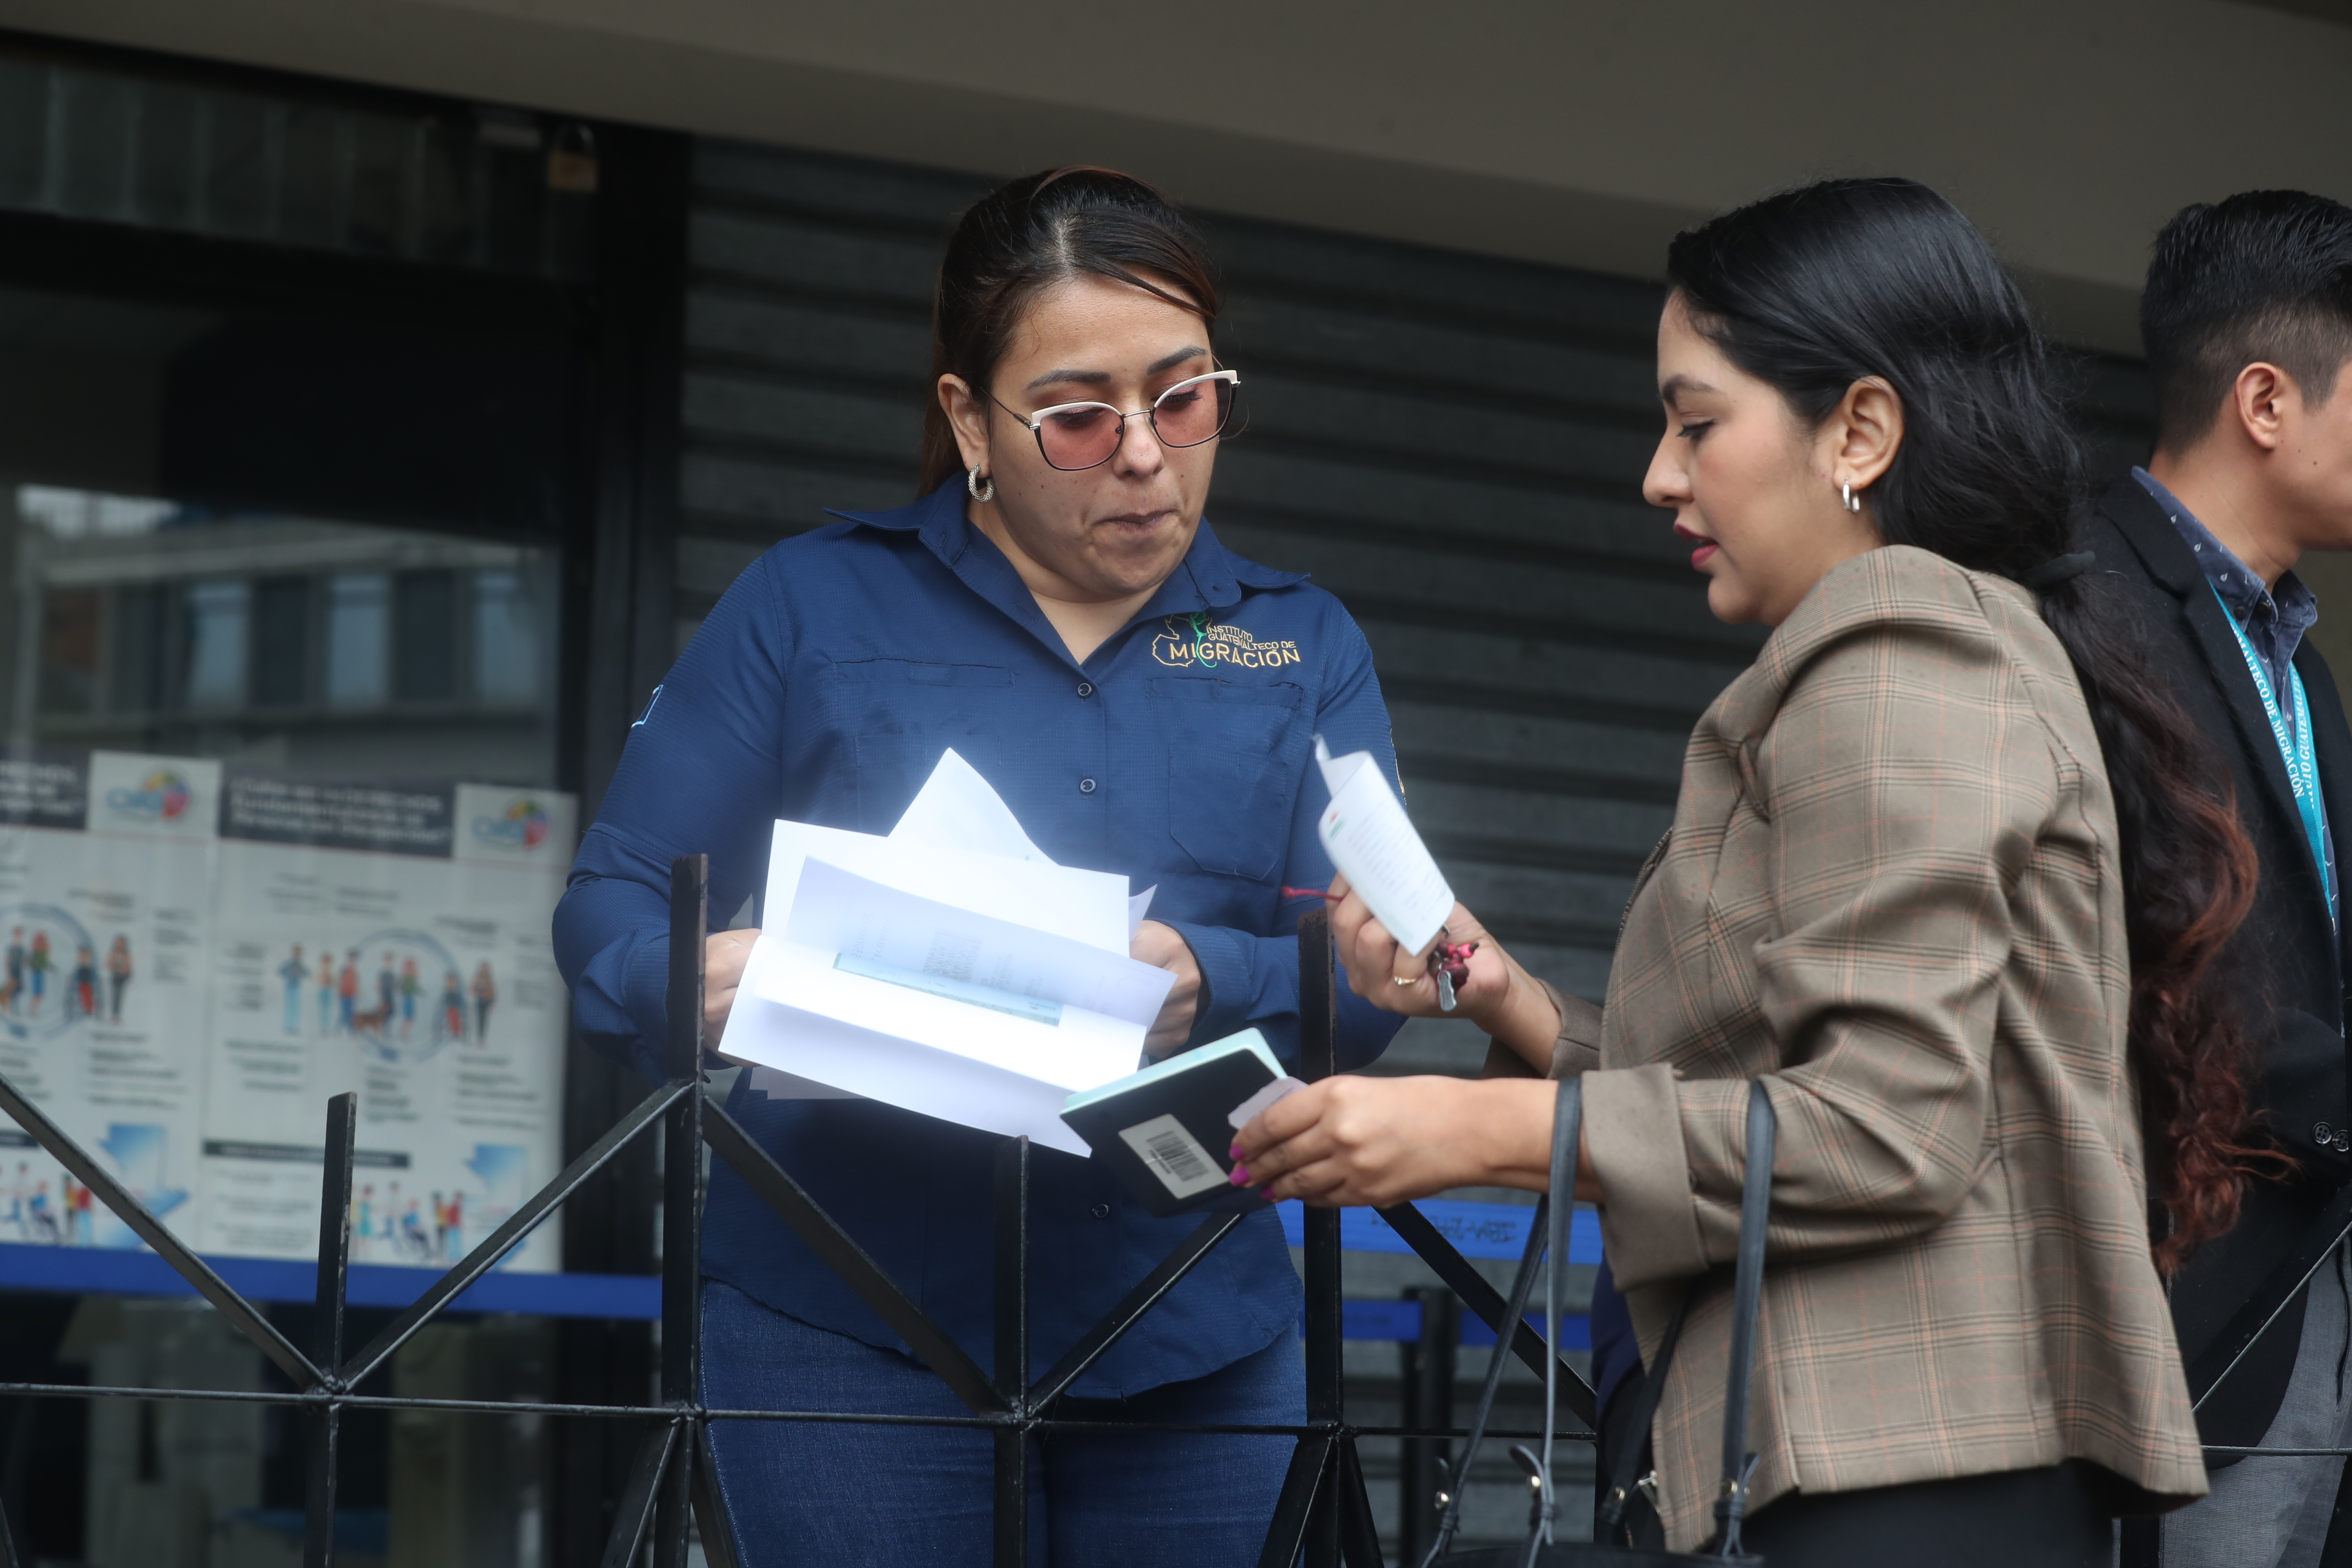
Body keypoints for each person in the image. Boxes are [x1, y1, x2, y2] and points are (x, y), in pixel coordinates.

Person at [1233, 179, 2262, 1562]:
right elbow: (1774, 1092)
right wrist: (1497, 995)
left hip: (1893, 1483)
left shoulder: (1899, 649)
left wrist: (1478, 1135)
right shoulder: (1904, 651)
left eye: (1697, 420)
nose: (1661, 472)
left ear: (1860, 429)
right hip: (1863, 1466)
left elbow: (1884, 1129)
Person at [554, 165, 1405, 1566]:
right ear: (968, 416)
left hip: (1192, 1314)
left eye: (1184, 398)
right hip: (846, 1304)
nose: (1142, 453)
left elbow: (1374, 979)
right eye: (1076, 417)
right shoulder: (809, 604)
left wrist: (1218, 975)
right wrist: (688, 981)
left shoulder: (1300, 645)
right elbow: (608, 904)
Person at [2075, 190, 2352, 1568]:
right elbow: (2154, 957)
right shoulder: (2079, 606)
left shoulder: (2298, 656)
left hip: (2309, 1295)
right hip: (2180, 1310)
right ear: (2265, 399)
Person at [279, 944, 305, 1034]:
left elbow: (306, 973)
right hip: (289, 987)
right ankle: (288, 1026)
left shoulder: (300, 964)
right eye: (296, 952)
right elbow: (281, 971)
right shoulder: (289, 963)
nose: (298, 954)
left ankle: (295, 1026)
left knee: (296, 1008)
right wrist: (288, 977)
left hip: (296, 987)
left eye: (299, 952)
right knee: (289, 1008)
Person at [107, 936, 132, 1023]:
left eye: (122, 943)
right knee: (115, 995)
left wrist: (124, 969)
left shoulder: (126, 954)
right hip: (115, 977)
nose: (121, 945)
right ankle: (114, 1015)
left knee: (120, 996)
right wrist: (115, 967)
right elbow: (108, 965)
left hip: (123, 977)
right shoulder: (114, 953)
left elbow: (129, 967)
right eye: (119, 943)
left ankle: (118, 1015)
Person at [470, 961, 496, 1044]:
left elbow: (493, 991)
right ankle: (479, 1038)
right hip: (479, 1001)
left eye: (485, 968)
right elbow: (473, 989)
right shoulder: (477, 978)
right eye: (482, 968)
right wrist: (479, 993)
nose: (484, 970)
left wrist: (489, 996)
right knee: (479, 1019)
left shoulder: (490, 979)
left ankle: (483, 1038)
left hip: (487, 1002)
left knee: (485, 1020)